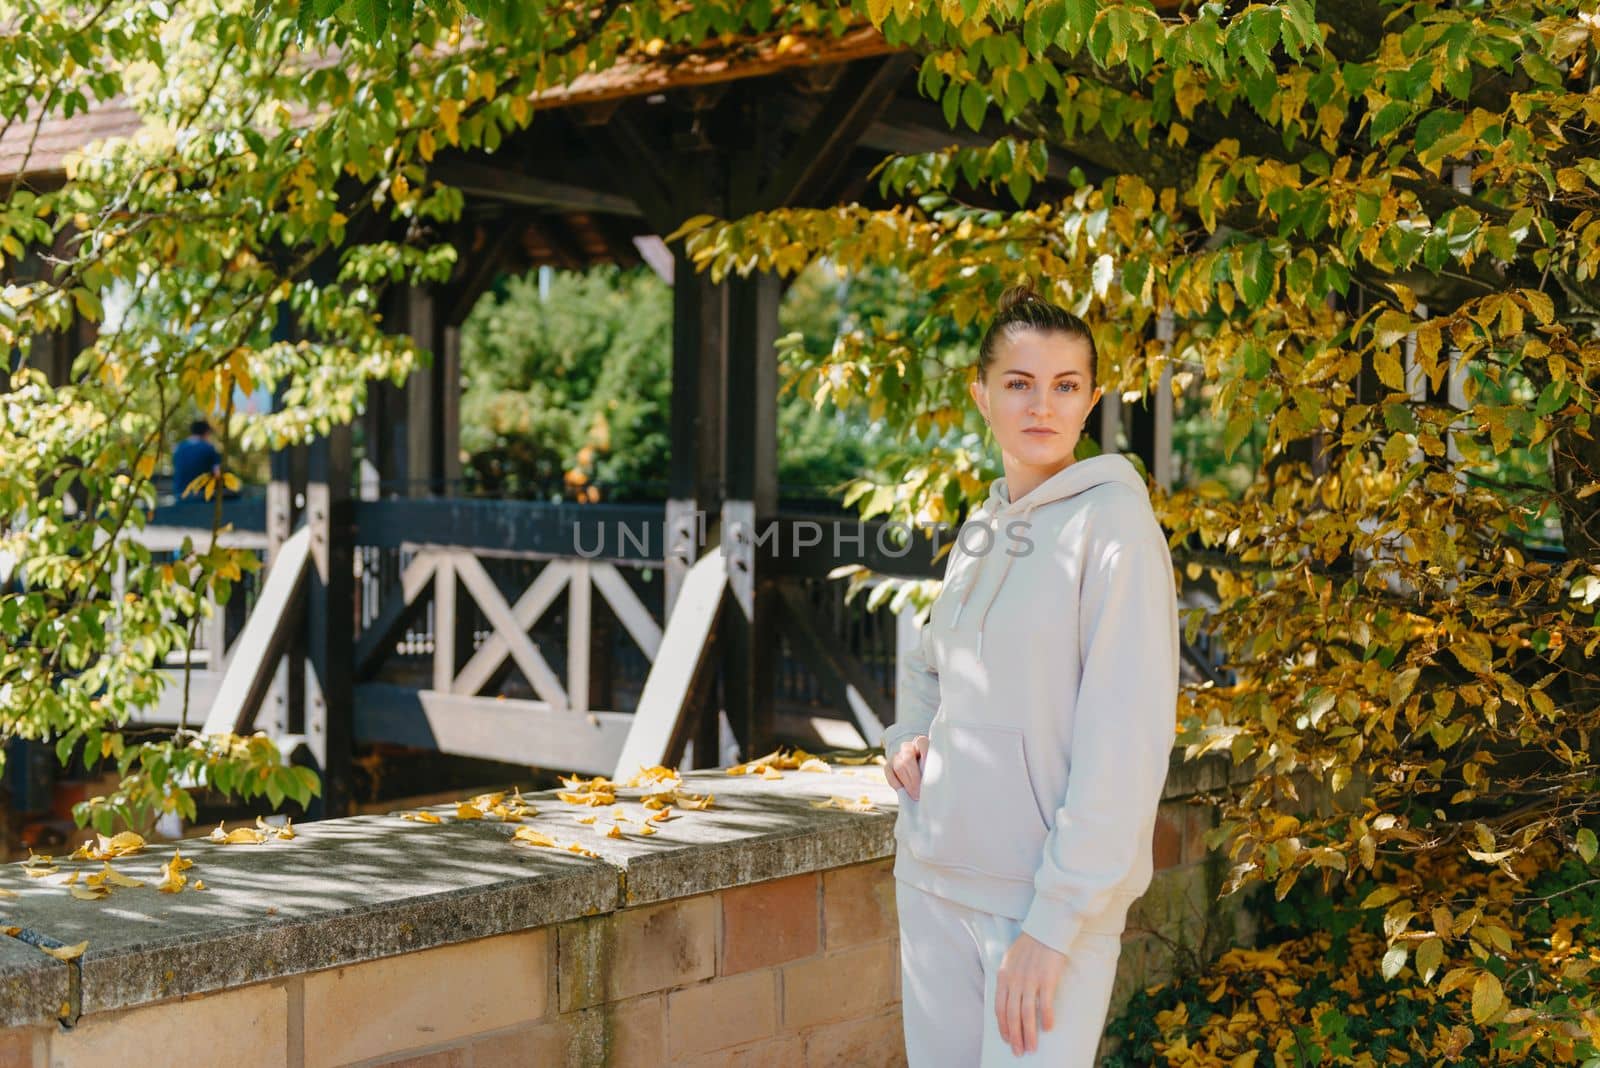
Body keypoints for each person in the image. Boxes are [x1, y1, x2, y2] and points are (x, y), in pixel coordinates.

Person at [882, 283, 1180, 1066]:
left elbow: (1126, 741)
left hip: (1042, 910)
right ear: (982, 395)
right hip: (933, 878)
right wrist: (909, 732)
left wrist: (1054, 923)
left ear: (1091, 400)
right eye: (1019, 383)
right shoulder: (982, 527)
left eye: (1065, 385)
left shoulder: (1114, 526)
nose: (1040, 404)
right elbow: (928, 660)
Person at [172, 419, 222, 501]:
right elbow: (217, 474)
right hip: (201, 497)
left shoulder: (179, 448)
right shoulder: (208, 449)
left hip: (179, 495)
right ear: (206, 433)